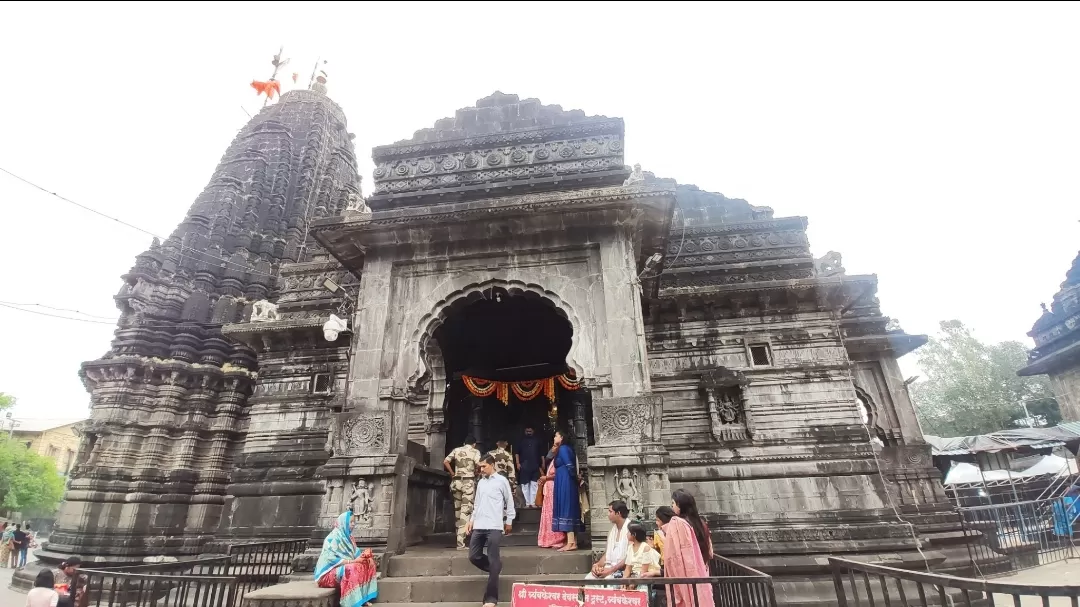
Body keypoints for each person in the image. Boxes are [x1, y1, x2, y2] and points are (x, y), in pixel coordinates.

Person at [465, 454, 515, 607]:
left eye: (484, 466)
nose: (481, 469)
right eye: (480, 467)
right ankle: (495, 568)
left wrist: (509, 520)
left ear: (492, 465)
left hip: (494, 525)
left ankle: (491, 599)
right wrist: (471, 521)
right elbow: (477, 504)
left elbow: (509, 501)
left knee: (493, 558)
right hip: (479, 524)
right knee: (474, 556)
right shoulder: (480, 482)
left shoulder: (502, 481)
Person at [314, 511, 379, 607]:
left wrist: (366, 557)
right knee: (350, 569)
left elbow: (356, 554)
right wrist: (352, 561)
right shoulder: (332, 538)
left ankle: (362, 599)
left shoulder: (350, 538)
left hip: (343, 568)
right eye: (351, 522)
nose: (353, 524)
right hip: (327, 574)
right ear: (343, 523)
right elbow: (330, 559)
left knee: (369, 563)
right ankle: (351, 603)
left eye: (354, 522)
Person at [663, 491, 714, 607]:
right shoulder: (701, 523)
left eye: (673, 503)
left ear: (680, 505)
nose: (672, 507)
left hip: (685, 574)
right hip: (702, 570)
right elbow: (710, 551)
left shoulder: (677, 524)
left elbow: (674, 556)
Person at [443, 435, 482, 550]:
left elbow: (445, 461)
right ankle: (461, 543)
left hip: (456, 482)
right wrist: (476, 472)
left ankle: (458, 537)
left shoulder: (457, 450)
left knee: (457, 511)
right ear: (474, 444)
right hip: (468, 483)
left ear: (464, 442)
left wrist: (452, 473)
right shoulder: (475, 451)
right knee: (466, 512)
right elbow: (479, 464)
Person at [551, 431, 583, 551]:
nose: (554, 437)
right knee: (568, 507)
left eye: (556, 435)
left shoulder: (564, 448)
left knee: (566, 508)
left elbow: (570, 466)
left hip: (566, 481)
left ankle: (571, 542)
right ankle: (572, 542)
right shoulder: (563, 448)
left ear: (562, 437)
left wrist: (574, 478)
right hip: (564, 479)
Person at [586, 500, 631, 580]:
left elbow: (629, 557)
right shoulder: (612, 531)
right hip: (609, 568)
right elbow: (607, 555)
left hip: (623, 571)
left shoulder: (630, 530)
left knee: (608, 580)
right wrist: (597, 565)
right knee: (589, 578)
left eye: (610, 511)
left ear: (618, 513)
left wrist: (610, 570)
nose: (608, 514)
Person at [537, 446, 566, 549]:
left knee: (552, 512)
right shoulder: (552, 460)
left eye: (554, 446)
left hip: (553, 486)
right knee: (547, 513)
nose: (552, 448)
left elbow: (560, 474)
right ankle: (547, 539)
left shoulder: (559, 460)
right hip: (548, 488)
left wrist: (547, 477)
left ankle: (556, 538)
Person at [622, 522, 661, 590]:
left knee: (642, 589)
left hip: (645, 577)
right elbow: (628, 568)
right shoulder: (630, 547)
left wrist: (633, 583)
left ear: (634, 535)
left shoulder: (645, 548)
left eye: (628, 532)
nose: (627, 534)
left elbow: (644, 571)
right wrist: (623, 582)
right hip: (633, 576)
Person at [515, 426, 545, 507]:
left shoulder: (537, 440)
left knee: (534, 484)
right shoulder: (521, 441)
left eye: (530, 431)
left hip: (535, 465)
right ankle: (527, 503)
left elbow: (542, 453)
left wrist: (543, 463)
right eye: (527, 431)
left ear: (533, 431)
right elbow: (517, 453)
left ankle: (532, 502)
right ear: (525, 431)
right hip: (524, 465)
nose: (528, 433)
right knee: (525, 485)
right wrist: (517, 463)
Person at [490, 439, 520, 506]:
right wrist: (513, 485)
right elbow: (511, 471)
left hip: (491, 479)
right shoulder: (508, 454)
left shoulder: (490, 453)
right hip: (503, 480)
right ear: (506, 443)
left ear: (497, 443)